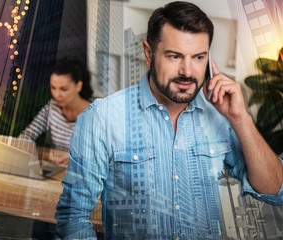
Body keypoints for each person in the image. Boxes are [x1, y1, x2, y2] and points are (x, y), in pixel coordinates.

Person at [55, 1, 283, 239]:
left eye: (198, 57)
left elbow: (275, 190)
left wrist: (241, 118)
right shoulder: (103, 117)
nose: (187, 71)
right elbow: (73, 217)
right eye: (175, 56)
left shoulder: (221, 116)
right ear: (148, 53)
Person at [19, 57, 92, 166]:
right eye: (53, 88)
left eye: (64, 89)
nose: (57, 95)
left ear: (78, 86)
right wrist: (20, 145)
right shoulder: (53, 106)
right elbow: (29, 133)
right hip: (58, 170)